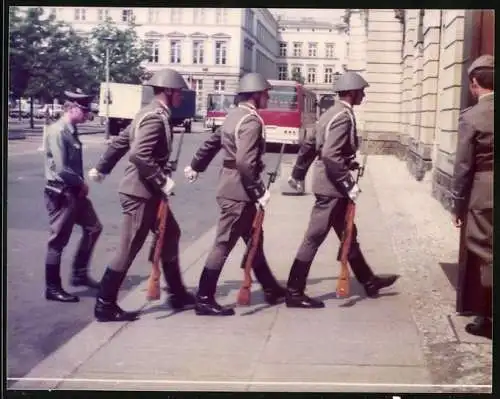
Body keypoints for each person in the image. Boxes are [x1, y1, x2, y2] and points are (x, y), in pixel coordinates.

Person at [88, 69, 195, 322]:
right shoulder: (155, 118)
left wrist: (103, 168)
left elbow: (120, 143)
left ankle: (177, 293)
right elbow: (138, 154)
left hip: (147, 191)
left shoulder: (146, 113)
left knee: (171, 234)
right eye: (179, 92)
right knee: (128, 247)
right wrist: (162, 180)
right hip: (140, 192)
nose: (181, 96)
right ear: (168, 91)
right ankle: (105, 304)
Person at [285, 71, 399, 308]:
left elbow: (310, 144)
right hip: (332, 187)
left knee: (349, 234)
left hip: (331, 183)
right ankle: (294, 291)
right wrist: (348, 183)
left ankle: (368, 281)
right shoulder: (343, 116)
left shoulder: (330, 113)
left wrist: (298, 173)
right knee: (314, 237)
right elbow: (329, 155)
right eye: (362, 92)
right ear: (352, 92)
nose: (364, 95)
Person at [183, 72, 286, 316]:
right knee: (223, 243)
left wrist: (196, 165)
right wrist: (258, 190)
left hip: (231, 186)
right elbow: (244, 162)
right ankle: (204, 298)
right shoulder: (251, 121)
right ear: (255, 95)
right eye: (265, 93)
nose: (268, 97)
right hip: (239, 192)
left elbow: (212, 142)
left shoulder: (233, 116)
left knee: (254, 239)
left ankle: (270, 287)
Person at [43, 89, 102, 303]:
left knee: (94, 228)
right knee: (57, 241)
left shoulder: (71, 130)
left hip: (75, 192)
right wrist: (81, 183)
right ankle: (52, 287)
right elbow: (60, 168)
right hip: (62, 192)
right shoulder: (58, 131)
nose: (87, 116)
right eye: (85, 111)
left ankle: (79, 274)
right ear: (73, 108)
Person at [451, 54, 493, 339]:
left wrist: (457, 204)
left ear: (475, 83)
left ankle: (488, 320)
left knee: (488, 254)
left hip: (485, 194)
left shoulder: (473, 116)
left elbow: (464, 166)